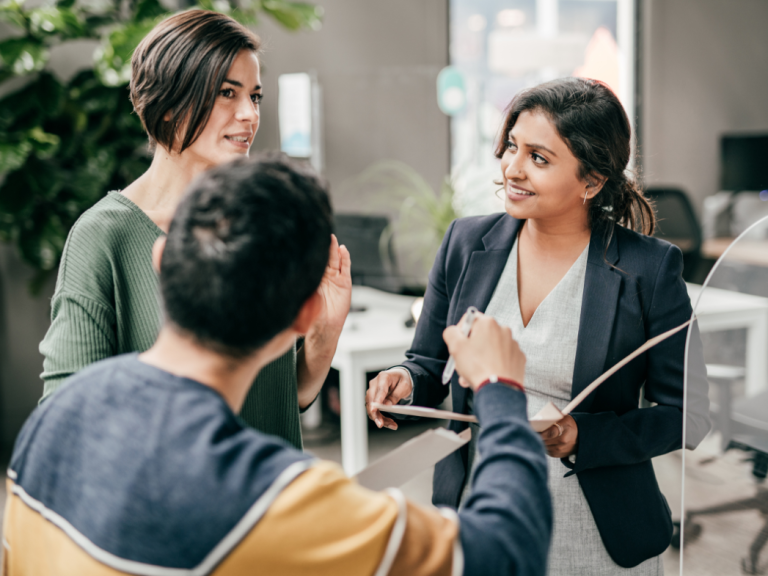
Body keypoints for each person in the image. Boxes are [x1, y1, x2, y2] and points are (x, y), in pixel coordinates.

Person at [4, 154, 552, 576]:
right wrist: (500, 387)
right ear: (305, 312)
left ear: (161, 260)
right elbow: (504, 553)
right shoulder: (281, 498)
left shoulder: (55, 418)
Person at [366, 77, 710, 574]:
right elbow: (426, 362)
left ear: (591, 182)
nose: (512, 168)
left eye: (539, 158)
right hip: (483, 509)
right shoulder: (466, 243)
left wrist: (582, 436)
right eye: (511, 147)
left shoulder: (648, 270)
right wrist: (404, 379)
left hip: (596, 528)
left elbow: (690, 414)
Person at [38, 10, 351, 449]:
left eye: (255, 97)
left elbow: (280, 399)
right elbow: (66, 419)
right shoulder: (103, 237)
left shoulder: (259, 223)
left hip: (274, 506)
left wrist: (323, 334)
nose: (249, 115)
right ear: (168, 105)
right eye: (228, 93)